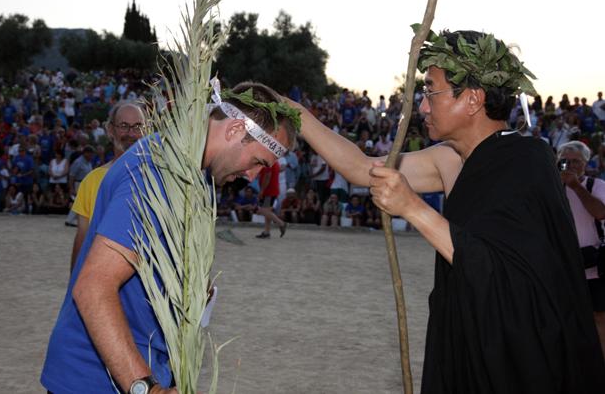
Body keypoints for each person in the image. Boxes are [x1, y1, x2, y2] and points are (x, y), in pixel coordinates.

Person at [290, 29, 605, 392]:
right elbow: (363, 169)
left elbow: (508, 275)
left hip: (515, 358)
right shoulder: (450, 159)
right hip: (463, 334)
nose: (423, 106)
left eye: (430, 91)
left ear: (472, 99)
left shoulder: (527, 162)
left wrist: (413, 208)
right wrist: (298, 115)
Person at [41, 82, 298, 394]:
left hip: (144, 365)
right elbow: (93, 286)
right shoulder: (161, 171)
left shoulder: (195, 176)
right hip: (97, 379)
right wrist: (146, 389)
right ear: (234, 130)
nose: (252, 176)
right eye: (258, 162)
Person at [69, 100, 146, 272]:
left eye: (137, 126)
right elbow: (82, 238)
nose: (131, 133)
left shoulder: (160, 178)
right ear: (110, 130)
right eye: (124, 126)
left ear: (146, 130)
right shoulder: (92, 181)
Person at [558, 141, 605, 357]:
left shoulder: (596, 185)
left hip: (593, 262)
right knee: (564, 318)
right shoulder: (551, 189)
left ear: (586, 163)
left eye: (575, 161)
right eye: (565, 161)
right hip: (561, 264)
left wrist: (576, 187)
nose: (570, 166)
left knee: (599, 317)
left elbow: (600, 213)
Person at [255, 160, 287, 239]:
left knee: (262, 210)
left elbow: (268, 176)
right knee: (267, 212)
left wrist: (262, 190)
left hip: (269, 191)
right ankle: (267, 232)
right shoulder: (274, 162)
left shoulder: (269, 162)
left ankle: (281, 223)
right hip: (271, 190)